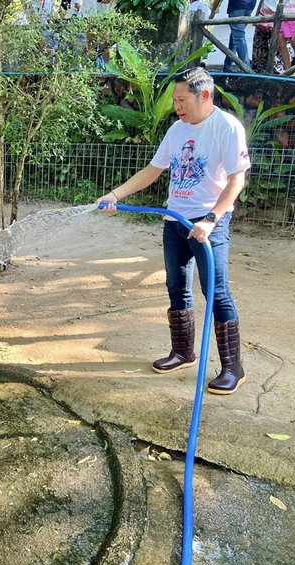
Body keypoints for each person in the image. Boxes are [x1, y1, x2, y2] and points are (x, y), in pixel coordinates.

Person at [96, 67, 250, 395]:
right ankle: (183, 353)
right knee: (176, 287)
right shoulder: (177, 130)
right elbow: (153, 170)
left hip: (209, 224)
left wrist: (211, 218)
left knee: (216, 292)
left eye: (182, 100)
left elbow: (238, 178)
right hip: (174, 220)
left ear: (204, 96)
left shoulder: (226, 127)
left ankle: (233, 368)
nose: (176, 106)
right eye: (174, 100)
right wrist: (114, 195)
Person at [209, 0, 258, 72]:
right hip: (250, 5)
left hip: (237, 5)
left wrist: (213, 10)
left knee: (239, 37)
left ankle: (247, 69)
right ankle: (227, 66)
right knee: (236, 35)